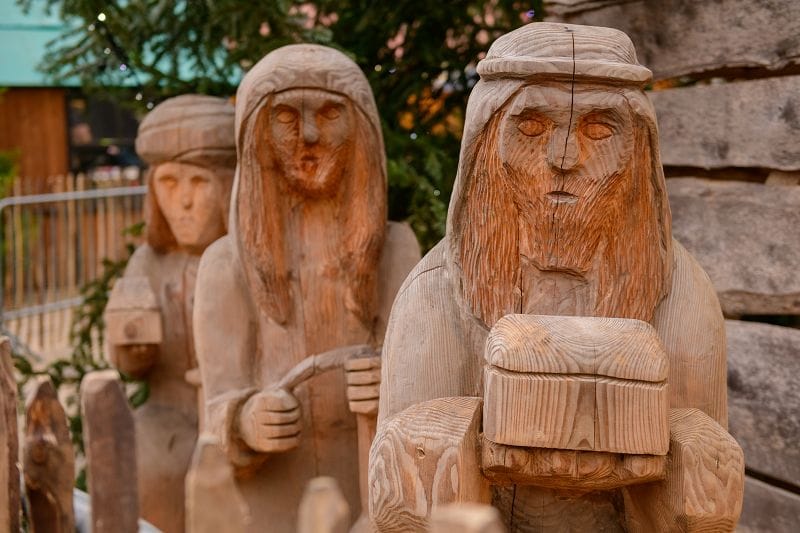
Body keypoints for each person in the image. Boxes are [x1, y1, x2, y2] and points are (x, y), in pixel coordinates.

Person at [373, 23, 734, 531]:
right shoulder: (434, 291)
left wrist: (672, 448)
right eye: (531, 127)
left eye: (600, 130)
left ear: (638, 149)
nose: (563, 157)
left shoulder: (682, 292)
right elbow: (402, 493)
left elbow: (706, 489)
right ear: (486, 141)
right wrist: (470, 440)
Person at [193, 44, 420, 532]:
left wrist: (394, 383)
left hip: (372, 496)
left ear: (361, 129)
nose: (310, 135)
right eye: (285, 117)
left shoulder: (397, 250)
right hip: (270, 506)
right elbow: (212, 416)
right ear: (256, 134)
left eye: (331, 113)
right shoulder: (224, 267)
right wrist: (243, 421)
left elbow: (430, 394)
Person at [104, 94, 235, 533]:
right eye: (168, 183)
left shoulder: (249, 260)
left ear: (231, 185)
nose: (183, 201)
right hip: (168, 412)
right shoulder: (148, 263)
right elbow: (128, 359)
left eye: (198, 182)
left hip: (238, 413)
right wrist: (134, 350)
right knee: (147, 461)